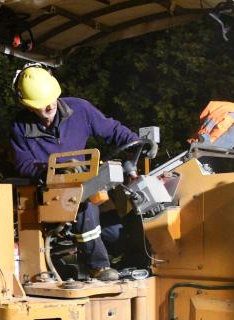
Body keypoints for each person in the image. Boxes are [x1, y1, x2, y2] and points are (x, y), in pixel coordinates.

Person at [9, 65, 139, 282]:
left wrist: (137, 142)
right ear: (29, 106)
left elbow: (112, 129)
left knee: (124, 199)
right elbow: (24, 165)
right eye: (42, 104)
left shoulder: (80, 109)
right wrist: (58, 168)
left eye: (52, 98)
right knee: (81, 201)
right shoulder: (19, 126)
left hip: (84, 182)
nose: (49, 105)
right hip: (48, 191)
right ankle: (98, 266)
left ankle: (133, 256)